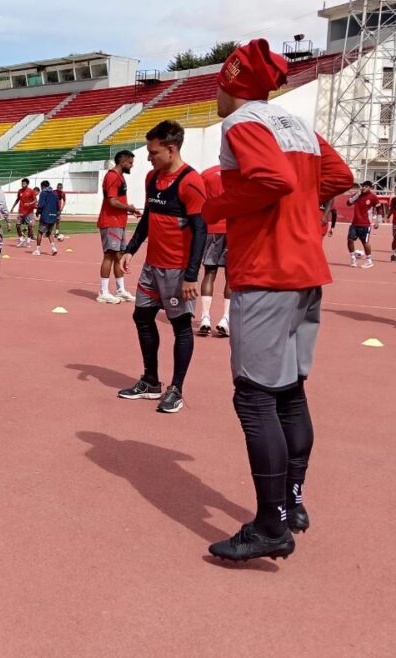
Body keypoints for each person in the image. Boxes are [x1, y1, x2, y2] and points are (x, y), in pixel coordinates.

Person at [202, 39, 353, 562]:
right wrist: (296, 212)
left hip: (266, 272)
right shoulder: (296, 126)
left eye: (217, 85)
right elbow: (339, 177)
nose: (214, 95)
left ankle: (271, 526)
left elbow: (271, 179)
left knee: (254, 397)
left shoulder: (241, 123)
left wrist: (218, 206)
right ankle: (292, 504)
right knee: (289, 392)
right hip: (307, 270)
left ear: (231, 84)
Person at [118, 120, 207, 414]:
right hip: (152, 267)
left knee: (181, 327)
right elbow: (147, 219)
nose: (148, 158)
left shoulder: (191, 182)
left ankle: (176, 389)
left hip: (177, 271)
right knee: (141, 317)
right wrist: (130, 250)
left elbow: (200, 231)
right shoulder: (151, 178)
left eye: (153, 152)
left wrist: (191, 275)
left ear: (171, 149)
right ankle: (150, 381)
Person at [97, 150, 140, 304]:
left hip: (118, 222)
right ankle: (103, 292)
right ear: (123, 162)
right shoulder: (112, 176)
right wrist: (129, 208)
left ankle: (120, 290)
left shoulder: (119, 177)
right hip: (110, 222)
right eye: (130, 163)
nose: (132, 166)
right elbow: (112, 201)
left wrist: (131, 210)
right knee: (109, 254)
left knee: (119, 255)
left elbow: (117, 201)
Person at [198, 165, 231, 337]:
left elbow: (200, 201)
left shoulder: (207, 174)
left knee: (209, 273)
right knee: (231, 276)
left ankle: (205, 317)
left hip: (212, 227)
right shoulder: (240, 172)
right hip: (232, 228)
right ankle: (225, 318)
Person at [346, 180, 379, 268]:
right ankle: (353, 258)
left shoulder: (373, 197)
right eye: (363, 186)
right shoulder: (358, 195)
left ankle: (369, 261)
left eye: (366, 186)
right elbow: (348, 203)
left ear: (370, 188)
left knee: (365, 242)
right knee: (350, 240)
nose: (364, 188)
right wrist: (357, 194)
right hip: (355, 223)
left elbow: (379, 209)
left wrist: (377, 221)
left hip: (365, 224)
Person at [33, 180, 59, 256]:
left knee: (40, 232)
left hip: (45, 215)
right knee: (49, 232)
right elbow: (58, 206)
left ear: (42, 186)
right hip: (53, 216)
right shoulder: (54, 194)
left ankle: (37, 250)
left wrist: (38, 212)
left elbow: (41, 205)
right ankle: (54, 248)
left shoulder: (43, 193)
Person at [9, 178, 37, 247]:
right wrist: (13, 207)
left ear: (27, 184)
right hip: (21, 211)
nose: (22, 184)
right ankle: (21, 239)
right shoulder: (20, 191)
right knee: (17, 225)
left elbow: (35, 200)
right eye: (22, 183)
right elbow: (17, 199)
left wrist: (30, 204)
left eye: (24, 183)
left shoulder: (31, 191)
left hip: (29, 212)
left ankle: (28, 241)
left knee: (30, 226)